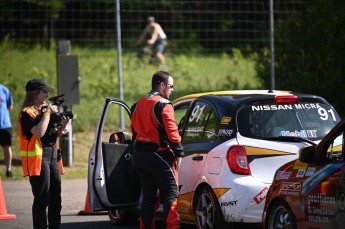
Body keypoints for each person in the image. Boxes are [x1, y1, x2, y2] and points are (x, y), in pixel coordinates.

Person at [130, 71, 184, 229]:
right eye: (171, 86)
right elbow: (173, 133)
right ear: (162, 85)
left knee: (148, 198)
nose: (172, 90)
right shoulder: (164, 105)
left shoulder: (137, 104)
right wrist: (179, 153)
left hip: (140, 156)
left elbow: (134, 131)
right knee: (170, 196)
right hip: (159, 155)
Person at [18, 78, 69, 229]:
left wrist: (61, 128)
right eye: (44, 92)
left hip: (52, 155)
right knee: (42, 198)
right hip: (39, 159)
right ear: (35, 93)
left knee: (55, 199)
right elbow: (39, 133)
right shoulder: (27, 114)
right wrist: (47, 114)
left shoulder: (46, 109)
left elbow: (51, 134)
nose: (47, 95)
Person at [0, 84, 14, 178]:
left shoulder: (3, 89)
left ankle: (8, 170)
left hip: (5, 125)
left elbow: (10, 105)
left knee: (7, 148)